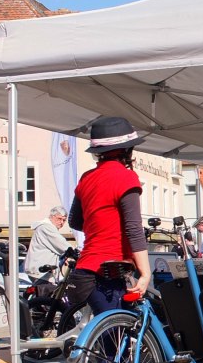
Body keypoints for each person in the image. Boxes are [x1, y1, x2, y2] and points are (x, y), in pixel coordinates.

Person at [65, 116, 152, 316]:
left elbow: (74, 221)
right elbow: (133, 229)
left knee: (107, 330)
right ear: (127, 150)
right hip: (109, 270)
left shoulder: (87, 178)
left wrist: (101, 225)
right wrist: (145, 273)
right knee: (119, 331)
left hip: (85, 269)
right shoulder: (126, 177)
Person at [24, 206, 71, 283]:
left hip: (40, 271)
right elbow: (62, 244)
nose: (61, 222)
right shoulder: (46, 228)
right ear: (52, 217)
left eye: (64, 220)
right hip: (40, 271)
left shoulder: (46, 227)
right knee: (46, 290)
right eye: (59, 219)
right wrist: (76, 252)